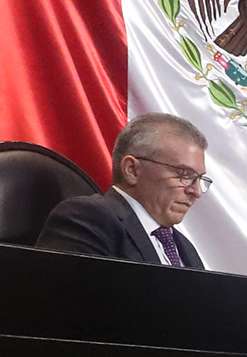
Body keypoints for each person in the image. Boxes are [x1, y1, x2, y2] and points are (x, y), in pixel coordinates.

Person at [35, 113, 212, 269]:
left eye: (199, 178)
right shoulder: (89, 219)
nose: (196, 192)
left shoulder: (184, 247)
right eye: (184, 174)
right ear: (132, 170)